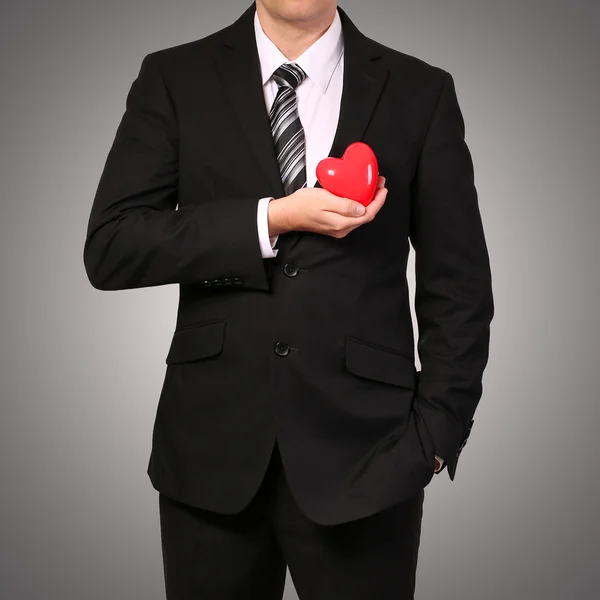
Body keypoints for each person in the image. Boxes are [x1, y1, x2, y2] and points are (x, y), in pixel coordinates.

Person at [83, 1, 494, 597]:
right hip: (210, 455)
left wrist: (435, 435)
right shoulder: (174, 78)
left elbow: (458, 283)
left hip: (370, 458)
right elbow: (112, 246)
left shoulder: (420, 90)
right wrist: (269, 220)